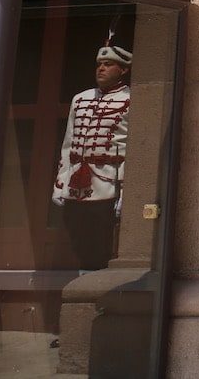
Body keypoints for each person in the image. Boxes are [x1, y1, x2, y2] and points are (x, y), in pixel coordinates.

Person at [52, 44, 131, 271]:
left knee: (101, 245)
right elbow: (68, 145)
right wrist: (60, 184)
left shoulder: (131, 99)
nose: (101, 69)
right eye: (99, 65)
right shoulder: (80, 99)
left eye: (108, 65)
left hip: (107, 185)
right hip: (75, 185)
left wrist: (125, 193)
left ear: (123, 70)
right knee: (77, 241)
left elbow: (133, 151)